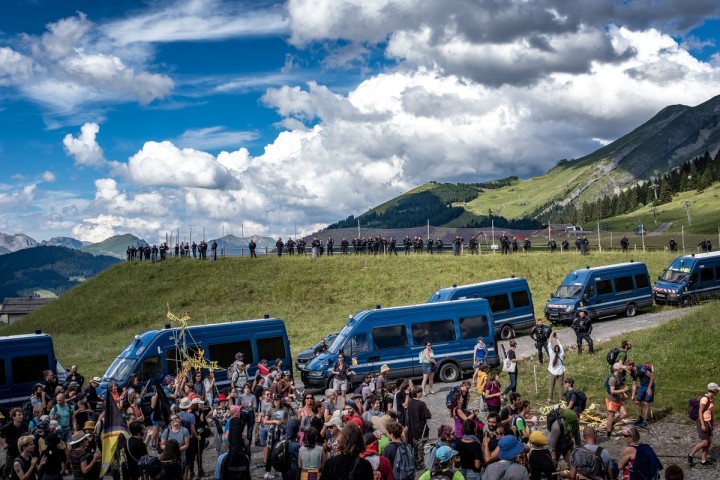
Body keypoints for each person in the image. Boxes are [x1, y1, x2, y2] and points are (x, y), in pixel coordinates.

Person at [688, 382, 718, 466]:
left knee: (709, 442)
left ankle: (703, 460)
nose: (718, 392)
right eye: (717, 390)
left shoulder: (711, 399)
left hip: (708, 421)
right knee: (705, 442)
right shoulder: (705, 399)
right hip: (703, 421)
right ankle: (691, 454)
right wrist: (702, 424)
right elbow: (700, 412)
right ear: (713, 390)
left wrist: (712, 422)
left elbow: (709, 411)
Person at [406, 386, 432, 470]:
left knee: (415, 446)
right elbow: (428, 416)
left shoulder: (410, 402)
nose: (421, 393)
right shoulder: (421, 404)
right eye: (420, 392)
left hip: (413, 428)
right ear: (417, 394)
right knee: (421, 447)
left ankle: (415, 460)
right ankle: (420, 463)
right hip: (422, 429)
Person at [1, 408, 28, 479]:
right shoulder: (7, 427)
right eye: (19, 415)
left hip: (21, 452)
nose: (21, 416)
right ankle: (4, 477)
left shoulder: (24, 425)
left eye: (22, 414)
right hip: (11, 452)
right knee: (8, 468)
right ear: (13, 417)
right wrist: (3, 444)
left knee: (21, 467)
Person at [606, 363, 629, 439]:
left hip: (617, 399)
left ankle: (612, 423)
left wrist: (623, 392)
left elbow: (617, 387)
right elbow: (612, 391)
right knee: (611, 416)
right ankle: (609, 433)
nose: (622, 370)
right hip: (611, 400)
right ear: (617, 369)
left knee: (624, 414)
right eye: (621, 368)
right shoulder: (612, 379)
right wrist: (623, 390)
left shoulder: (618, 377)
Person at [627, 361, 654, 428]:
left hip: (649, 386)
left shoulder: (642, 369)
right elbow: (634, 384)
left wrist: (649, 388)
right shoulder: (633, 373)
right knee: (638, 402)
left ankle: (645, 420)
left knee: (646, 403)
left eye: (627, 366)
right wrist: (633, 396)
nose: (626, 368)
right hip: (642, 386)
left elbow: (652, 377)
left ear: (631, 365)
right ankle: (640, 417)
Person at [547, 334, 565, 403]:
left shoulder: (551, 354)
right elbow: (560, 345)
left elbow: (549, 344)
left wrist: (551, 336)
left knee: (551, 386)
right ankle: (561, 398)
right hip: (560, 372)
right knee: (560, 386)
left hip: (553, 372)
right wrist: (557, 338)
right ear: (559, 350)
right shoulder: (561, 354)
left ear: (553, 349)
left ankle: (550, 398)